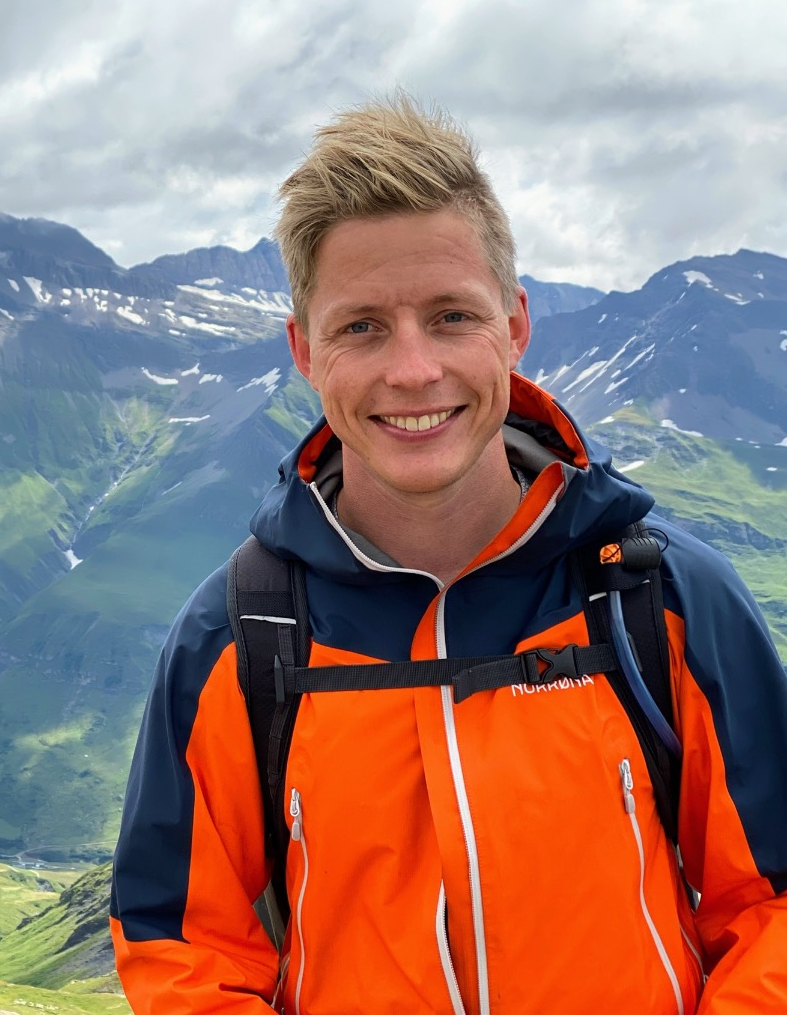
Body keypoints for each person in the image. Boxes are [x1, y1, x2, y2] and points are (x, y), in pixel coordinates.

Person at [109, 94, 787, 1013]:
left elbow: (772, 904)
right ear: (304, 349)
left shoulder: (661, 597)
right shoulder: (236, 636)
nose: (413, 370)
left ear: (515, 323)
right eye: (361, 326)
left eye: (452, 316)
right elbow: (182, 945)